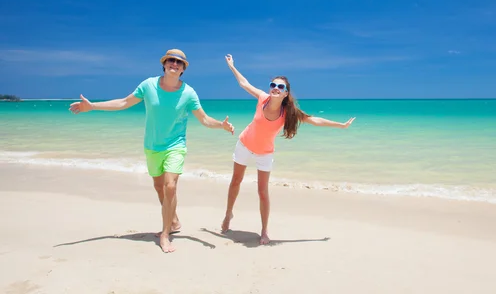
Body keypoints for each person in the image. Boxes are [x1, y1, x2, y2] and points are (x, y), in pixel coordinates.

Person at [69, 49, 235, 253]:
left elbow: (204, 119)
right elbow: (123, 102)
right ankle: (173, 222)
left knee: (170, 187)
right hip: (152, 146)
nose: (174, 64)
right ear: (164, 64)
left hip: (176, 146)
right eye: (171, 61)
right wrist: (92, 106)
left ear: (183, 69)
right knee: (159, 187)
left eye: (179, 62)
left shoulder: (188, 93)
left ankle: (165, 234)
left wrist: (221, 125)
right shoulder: (148, 85)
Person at [221, 54, 355, 245]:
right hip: (244, 144)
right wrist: (232, 66)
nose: (275, 88)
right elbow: (244, 83)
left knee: (262, 192)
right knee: (236, 182)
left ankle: (264, 230)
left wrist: (340, 125)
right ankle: (228, 215)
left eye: (280, 87)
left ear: (286, 93)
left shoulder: (288, 113)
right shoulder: (262, 98)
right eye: (273, 85)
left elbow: (314, 120)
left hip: (265, 153)